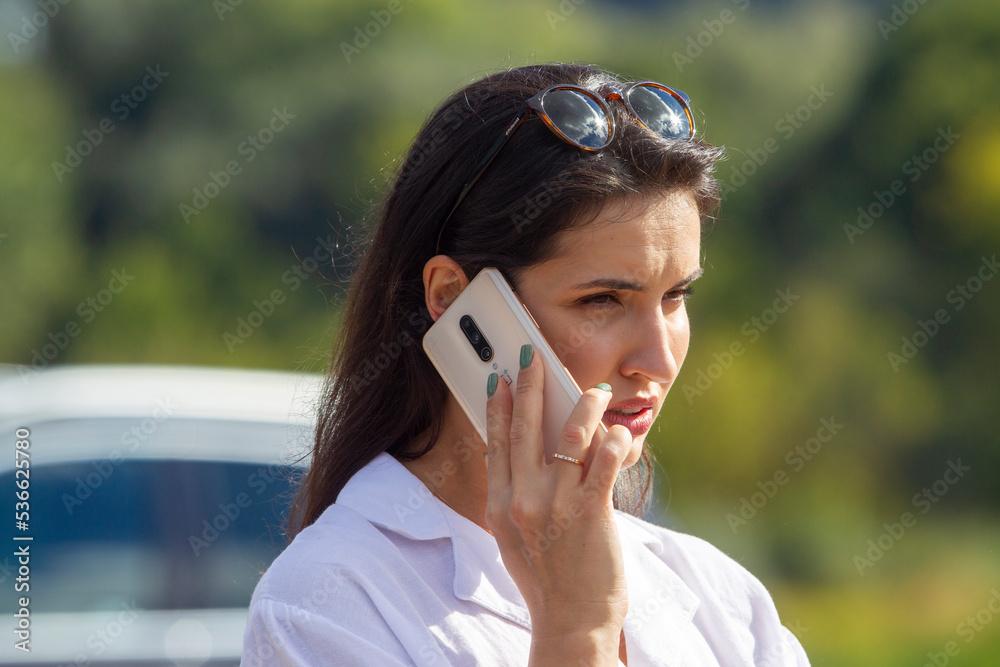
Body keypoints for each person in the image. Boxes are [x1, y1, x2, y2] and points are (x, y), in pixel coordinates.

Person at [241, 62, 810, 666]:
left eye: (675, 298)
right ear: (454, 301)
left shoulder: (722, 600)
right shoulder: (324, 602)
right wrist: (576, 628)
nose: (658, 359)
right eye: (602, 301)